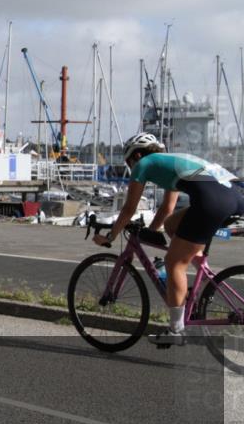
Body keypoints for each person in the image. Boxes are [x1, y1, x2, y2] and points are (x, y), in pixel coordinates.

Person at [94, 132, 244, 346]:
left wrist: (110, 236)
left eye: (129, 162)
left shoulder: (144, 163)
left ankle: (176, 331)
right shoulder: (172, 162)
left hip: (212, 202)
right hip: (234, 198)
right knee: (173, 225)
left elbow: (129, 208)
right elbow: (167, 208)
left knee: (175, 263)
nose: (131, 167)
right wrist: (152, 230)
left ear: (136, 155)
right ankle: (198, 266)